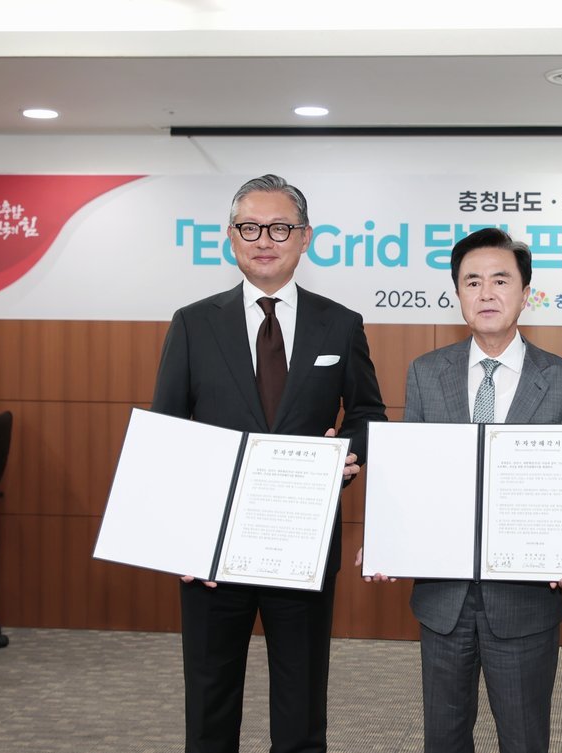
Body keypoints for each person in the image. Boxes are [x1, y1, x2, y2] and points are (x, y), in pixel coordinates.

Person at [152, 174, 387, 753]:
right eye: (250, 227)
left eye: (280, 228)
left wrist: (346, 452)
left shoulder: (341, 323)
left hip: (301, 542)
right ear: (230, 236)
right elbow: (167, 435)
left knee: (301, 706)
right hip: (212, 549)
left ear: (305, 237)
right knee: (209, 705)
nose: (264, 240)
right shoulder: (193, 323)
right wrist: (180, 541)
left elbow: (367, 414)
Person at [361, 227, 562, 753]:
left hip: (524, 601)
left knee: (524, 740)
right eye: (472, 282)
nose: (486, 293)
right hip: (444, 600)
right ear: (458, 293)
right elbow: (411, 476)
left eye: (501, 281)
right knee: (442, 739)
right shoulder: (426, 374)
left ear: (525, 293)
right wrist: (386, 539)